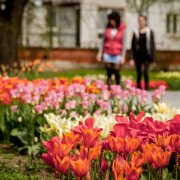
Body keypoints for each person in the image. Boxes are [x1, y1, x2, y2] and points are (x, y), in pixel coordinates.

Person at [97, 11, 126, 90]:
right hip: (107, 52)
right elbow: (103, 42)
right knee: (109, 70)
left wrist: (123, 56)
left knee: (116, 70)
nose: (111, 22)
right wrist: (100, 53)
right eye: (110, 20)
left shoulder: (122, 30)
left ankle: (117, 85)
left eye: (112, 20)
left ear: (116, 20)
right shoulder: (107, 29)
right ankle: (109, 87)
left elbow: (124, 43)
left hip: (117, 53)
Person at [130, 14, 156, 90]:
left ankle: (146, 88)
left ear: (145, 21)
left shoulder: (149, 32)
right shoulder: (135, 32)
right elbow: (132, 46)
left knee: (145, 72)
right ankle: (138, 88)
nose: (141, 22)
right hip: (138, 55)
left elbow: (153, 46)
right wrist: (131, 58)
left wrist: (154, 59)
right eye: (139, 21)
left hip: (147, 55)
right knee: (139, 72)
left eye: (142, 20)